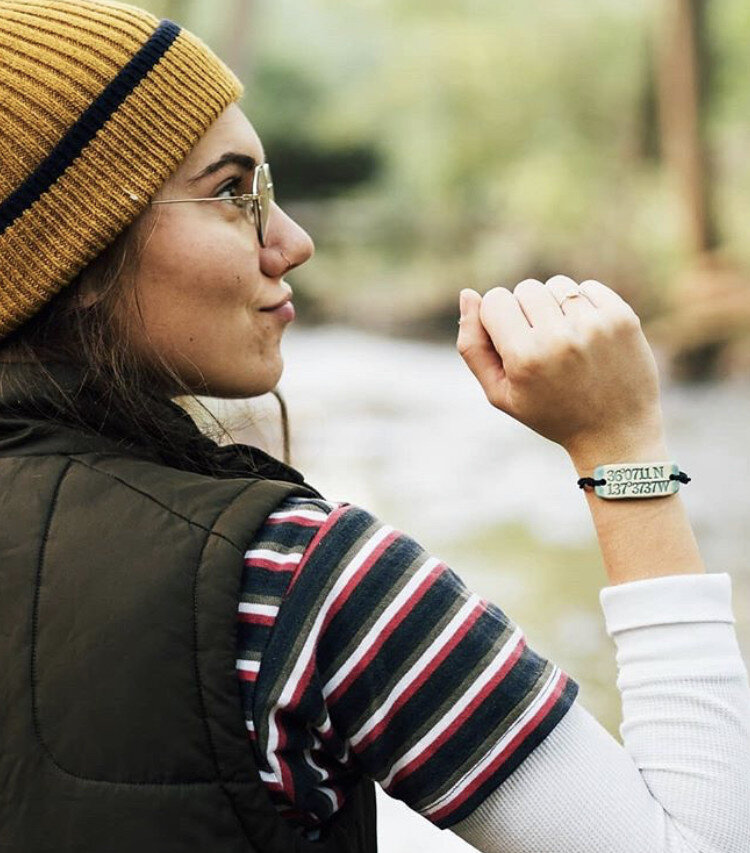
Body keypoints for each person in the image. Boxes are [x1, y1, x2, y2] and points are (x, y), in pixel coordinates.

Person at [0, 2, 748, 852]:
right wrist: (623, 446)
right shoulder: (294, 581)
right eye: (232, 191)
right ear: (73, 248)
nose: (292, 240)